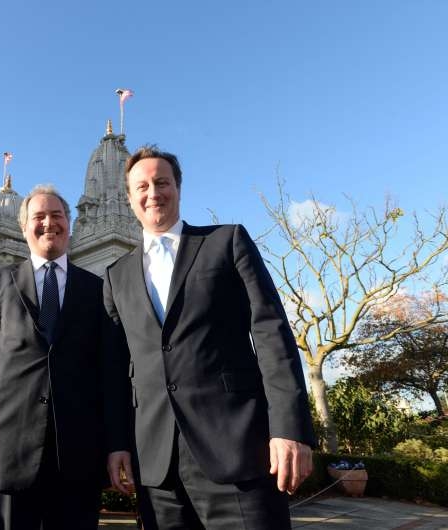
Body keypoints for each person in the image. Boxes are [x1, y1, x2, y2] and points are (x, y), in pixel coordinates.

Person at [104, 145, 316, 529]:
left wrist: (288, 428)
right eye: (142, 186)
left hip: (237, 452)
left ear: (178, 189)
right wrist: (118, 443)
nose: (153, 193)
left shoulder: (227, 241)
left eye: (162, 182)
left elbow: (271, 333)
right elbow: (118, 369)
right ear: (130, 197)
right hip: (157, 469)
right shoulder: (116, 275)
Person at [0, 185, 107, 530]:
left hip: (79, 450)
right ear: (24, 228)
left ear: (70, 224)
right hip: (7, 445)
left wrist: (116, 446)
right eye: (39, 217)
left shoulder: (97, 289)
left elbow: (108, 372)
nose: (48, 223)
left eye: (57, 216)